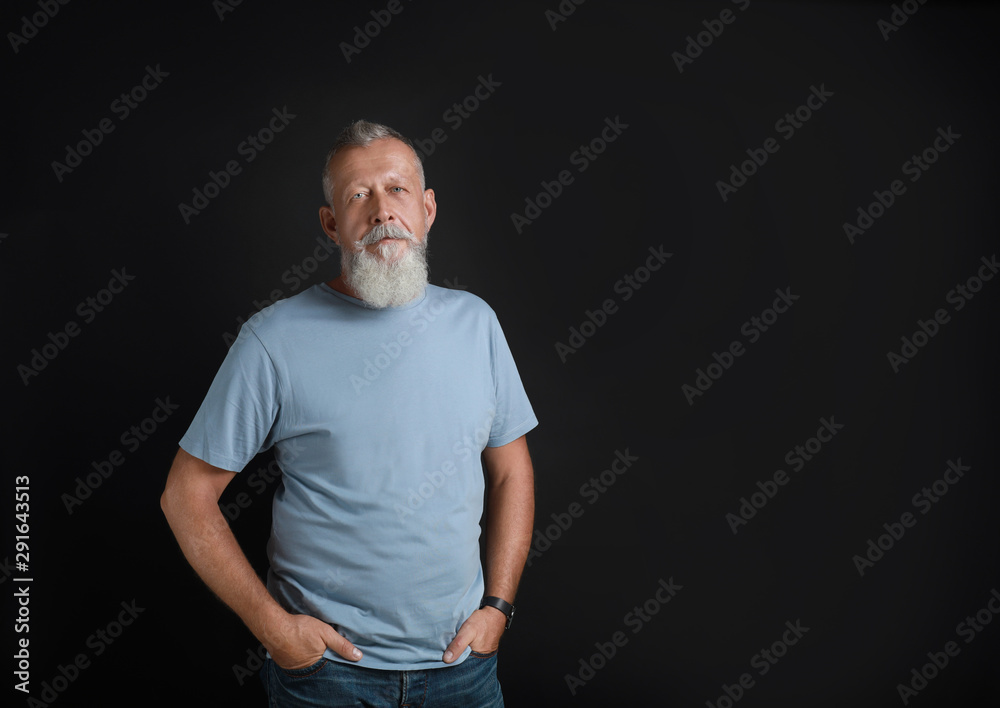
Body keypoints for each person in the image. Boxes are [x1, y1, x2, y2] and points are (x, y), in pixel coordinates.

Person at [160, 120, 538, 707]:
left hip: (462, 668)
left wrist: (499, 608)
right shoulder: (273, 339)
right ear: (331, 222)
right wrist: (276, 631)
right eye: (359, 195)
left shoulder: (477, 324)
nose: (383, 210)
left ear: (428, 208)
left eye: (398, 189)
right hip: (327, 678)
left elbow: (511, 468)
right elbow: (185, 496)